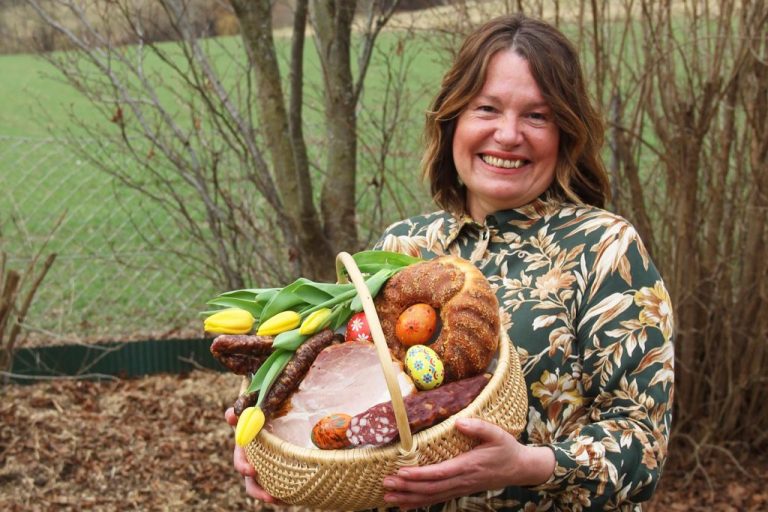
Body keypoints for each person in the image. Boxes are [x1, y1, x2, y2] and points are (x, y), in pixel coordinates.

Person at [226, 13, 674, 511]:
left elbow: (643, 443)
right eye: (487, 108)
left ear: (565, 132)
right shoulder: (403, 247)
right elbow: (354, 418)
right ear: (453, 119)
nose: (508, 134)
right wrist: (286, 463)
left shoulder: (605, 248)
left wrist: (530, 464)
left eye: (537, 116)